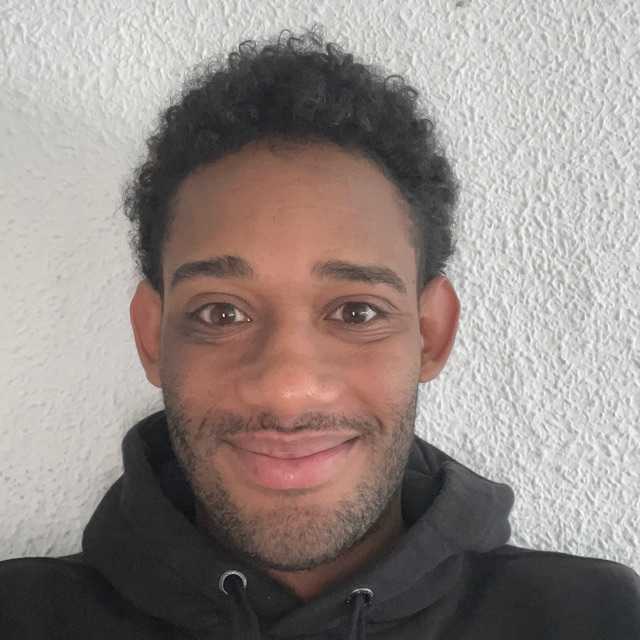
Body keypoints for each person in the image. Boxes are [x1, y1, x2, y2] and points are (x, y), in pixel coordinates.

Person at [1, 27, 638, 640]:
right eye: (221, 313)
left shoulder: (597, 620)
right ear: (151, 337)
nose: (287, 390)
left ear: (431, 334)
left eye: (356, 312)